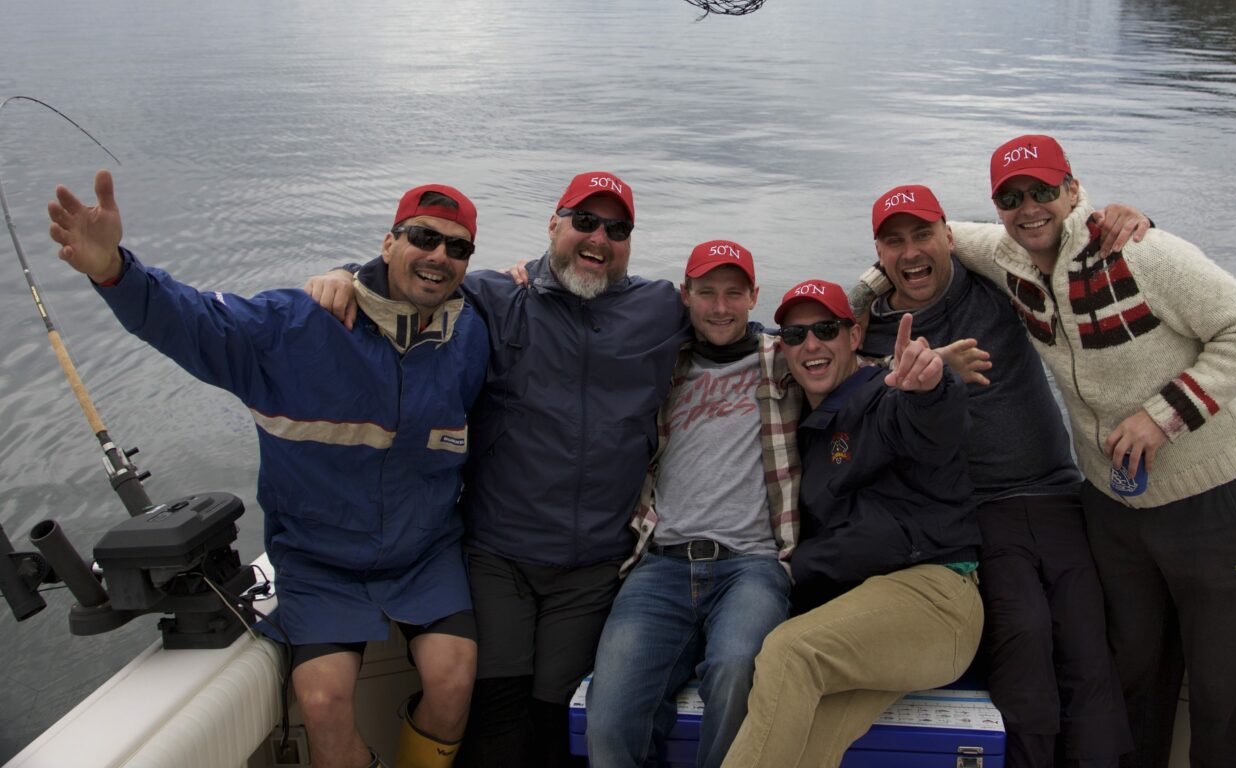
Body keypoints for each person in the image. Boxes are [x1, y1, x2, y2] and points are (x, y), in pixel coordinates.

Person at [48, 171, 490, 768]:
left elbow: (532, 294)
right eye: (422, 238)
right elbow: (197, 323)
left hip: (425, 553)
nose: (438, 257)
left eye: (456, 247)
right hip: (318, 559)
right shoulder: (297, 324)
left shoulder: (472, 336)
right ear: (388, 243)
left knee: (456, 679)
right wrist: (114, 272)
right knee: (322, 701)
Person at [305, 170, 690, 767]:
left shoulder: (659, 308)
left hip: (592, 568)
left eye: (617, 229)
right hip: (498, 557)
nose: (598, 238)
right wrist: (345, 275)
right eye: (584, 221)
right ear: (553, 225)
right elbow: (418, 277)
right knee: (496, 727)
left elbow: (741, 331)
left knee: (555, 725)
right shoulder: (493, 296)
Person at [945, 135, 1236, 768]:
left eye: (1044, 191)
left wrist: (1163, 417)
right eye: (1012, 198)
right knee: (1133, 674)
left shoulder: (1141, 252)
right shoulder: (1009, 256)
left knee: (1225, 687)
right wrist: (865, 292)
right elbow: (938, 236)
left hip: (1209, 497)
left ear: (1073, 190)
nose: (1030, 208)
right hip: (1112, 505)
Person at [850, 184, 1135, 768]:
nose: (910, 254)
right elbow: (821, 373)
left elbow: (1055, 240)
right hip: (977, 508)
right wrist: (923, 371)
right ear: (877, 251)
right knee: (1024, 634)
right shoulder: (868, 331)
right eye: (893, 242)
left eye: (923, 234)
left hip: (1056, 489)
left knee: (1088, 642)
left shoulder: (998, 285)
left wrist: (1131, 218)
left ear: (950, 235)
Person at [720, 280, 984, 768]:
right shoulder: (814, 427)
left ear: (855, 335)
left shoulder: (878, 398)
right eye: (795, 336)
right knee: (809, 746)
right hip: (872, 615)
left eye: (826, 329)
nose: (811, 344)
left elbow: (928, 420)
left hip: (935, 599)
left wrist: (933, 383)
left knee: (789, 653)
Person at [583, 239, 802, 768]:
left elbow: (846, 354)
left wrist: (927, 364)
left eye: (733, 293)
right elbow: (587, 317)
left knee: (737, 670)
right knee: (608, 718)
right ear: (685, 295)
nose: (720, 307)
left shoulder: (786, 360)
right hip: (660, 565)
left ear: (754, 296)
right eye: (706, 292)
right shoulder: (661, 362)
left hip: (752, 566)